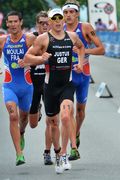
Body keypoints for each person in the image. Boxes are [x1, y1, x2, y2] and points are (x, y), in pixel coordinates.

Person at [22, 8, 85, 174]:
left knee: (65, 116)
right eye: (54, 18)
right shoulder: (43, 39)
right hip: (50, 87)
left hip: (67, 84)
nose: (57, 21)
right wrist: (39, 58)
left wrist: (80, 62)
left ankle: (64, 155)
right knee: (53, 123)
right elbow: (27, 58)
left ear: (63, 20)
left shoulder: (72, 37)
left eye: (60, 18)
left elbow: (81, 47)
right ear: (49, 22)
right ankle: (57, 153)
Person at [62, 0, 105, 160]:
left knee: (80, 111)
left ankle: (77, 132)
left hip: (83, 74)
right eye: (66, 12)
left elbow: (102, 49)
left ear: (77, 14)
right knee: (68, 111)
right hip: (66, 75)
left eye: (71, 12)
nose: (68, 15)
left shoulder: (85, 27)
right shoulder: (60, 28)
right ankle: (72, 147)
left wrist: (83, 50)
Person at [0, 11, 36, 166]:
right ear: (6, 24)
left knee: (23, 117)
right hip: (10, 85)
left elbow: (40, 58)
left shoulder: (29, 39)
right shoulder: (2, 41)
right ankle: (19, 154)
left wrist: (28, 63)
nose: (13, 24)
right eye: (10, 22)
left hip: (27, 86)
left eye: (16, 21)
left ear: (21, 22)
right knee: (13, 116)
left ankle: (21, 132)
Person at [29, 11, 54, 165]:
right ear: (37, 24)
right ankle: (36, 107)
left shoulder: (55, 38)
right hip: (32, 84)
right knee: (32, 124)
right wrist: (40, 59)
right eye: (42, 23)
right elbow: (25, 59)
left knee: (51, 120)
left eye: (47, 23)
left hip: (49, 83)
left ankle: (47, 152)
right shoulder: (31, 38)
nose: (45, 26)